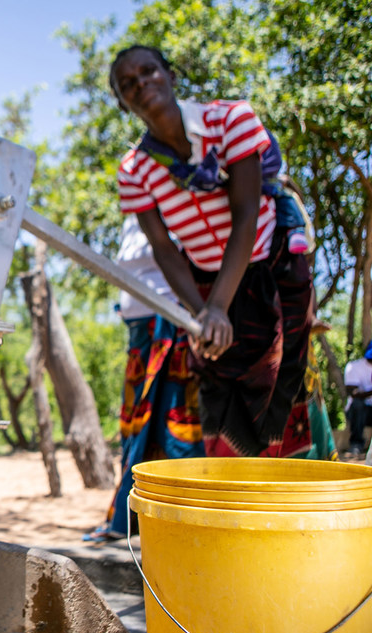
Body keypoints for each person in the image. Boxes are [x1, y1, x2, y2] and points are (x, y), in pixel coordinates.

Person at [110, 45, 314, 458]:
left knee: (278, 389)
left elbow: (246, 217)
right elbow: (165, 251)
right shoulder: (134, 170)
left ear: (170, 74)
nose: (141, 84)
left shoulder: (231, 120)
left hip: (269, 272)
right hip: (202, 288)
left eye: (149, 71)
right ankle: (229, 505)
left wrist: (217, 307)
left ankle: (279, 503)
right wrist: (201, 312)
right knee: (220, 396)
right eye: (127, 84)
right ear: (122, 102)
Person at [84, 216, 204, 542]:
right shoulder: (135, 206)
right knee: (136, 425)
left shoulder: (180, 194)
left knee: (174, 423)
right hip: (139, 327)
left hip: (174, 321)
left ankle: (185, 519)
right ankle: (134, 517)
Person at [343, 341, 372, 456]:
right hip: (358, 412)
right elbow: (353, 393)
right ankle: (356, 444)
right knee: (358, 404)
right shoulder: (354, 367)